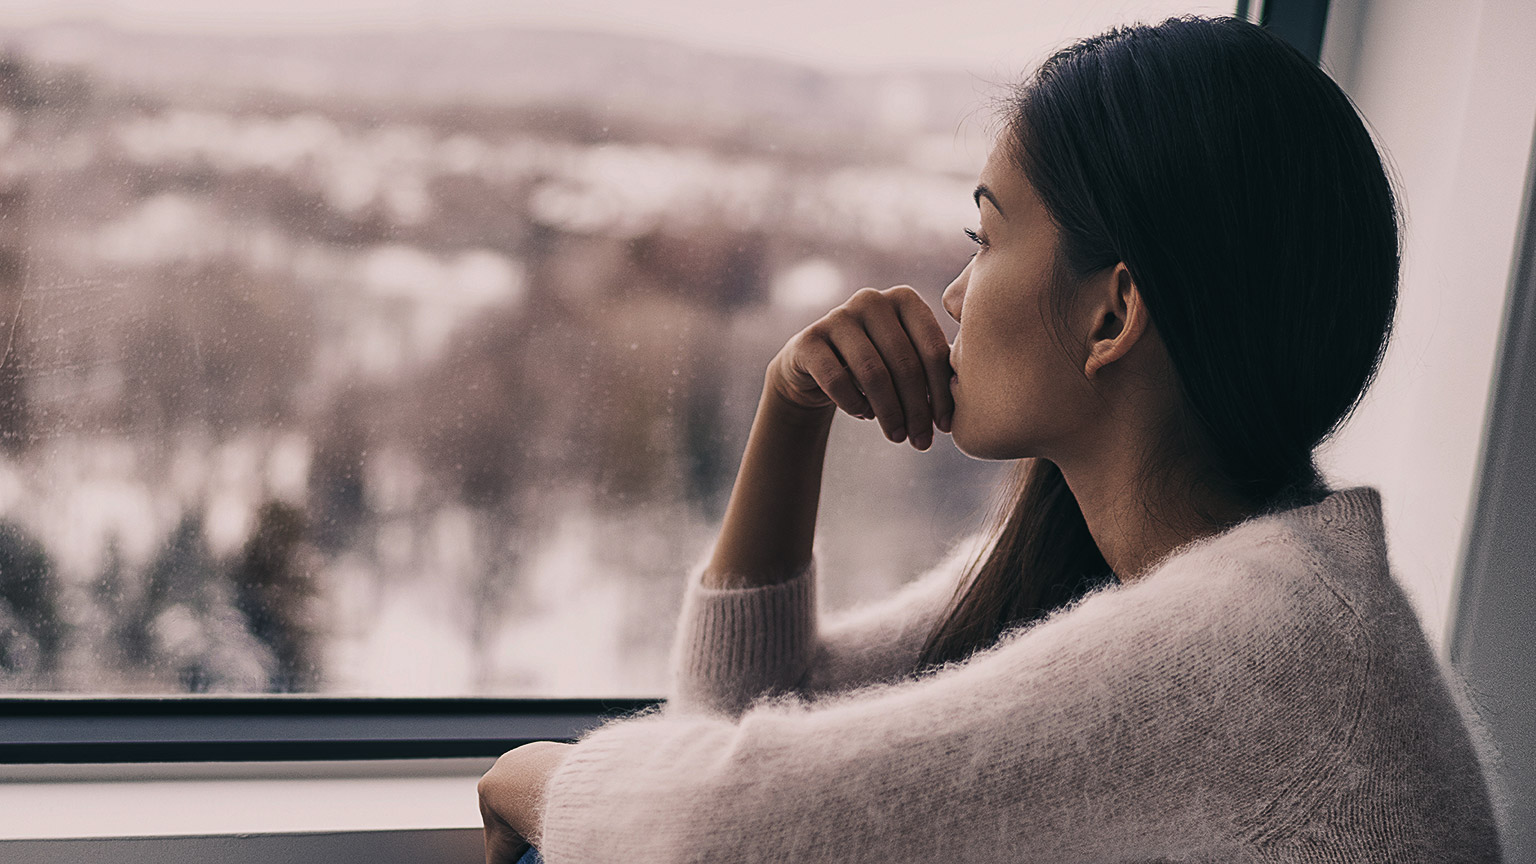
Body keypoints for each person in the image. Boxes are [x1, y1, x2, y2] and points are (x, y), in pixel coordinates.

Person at [477, 14, 1505, 863]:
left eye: (987, 237)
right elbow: (737, 727)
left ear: (1112, 316)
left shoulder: (1270, 648)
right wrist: (790, 413)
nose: (958, 294)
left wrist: (534, 776)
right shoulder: (1138, 561)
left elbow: (713, 830)